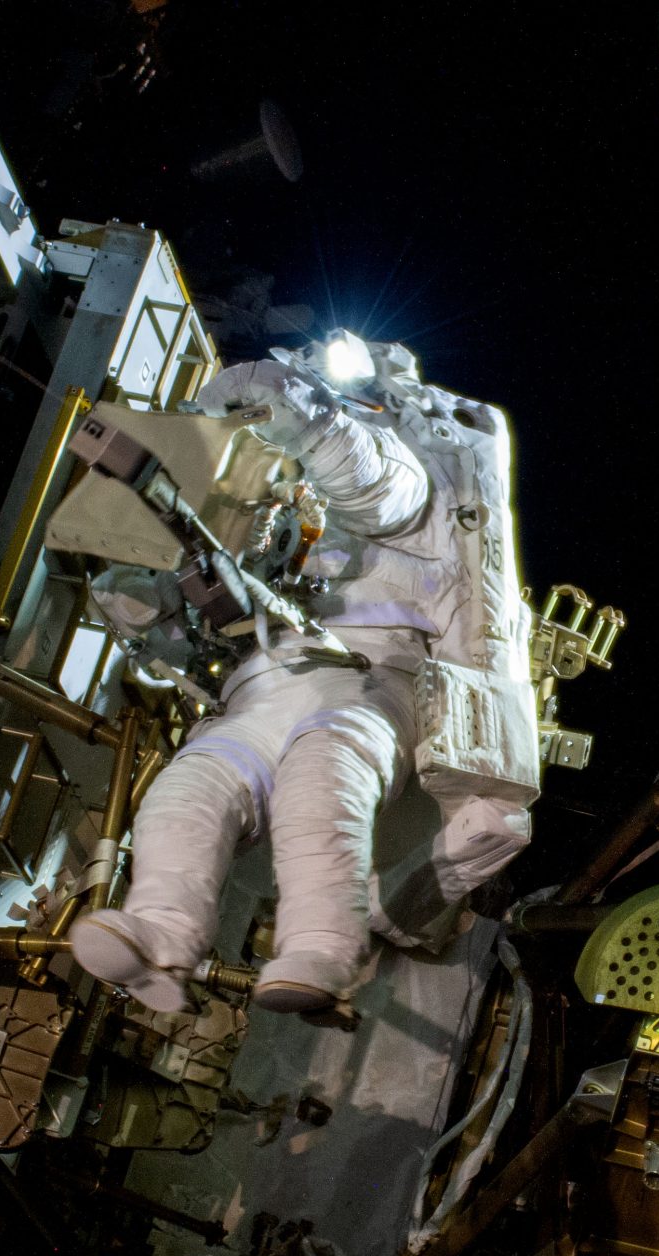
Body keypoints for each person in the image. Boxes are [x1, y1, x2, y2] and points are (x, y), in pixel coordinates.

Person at [70, 338, 470, 1016]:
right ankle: (162, 935)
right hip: (268, 679)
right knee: (189, 787)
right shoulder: (268, 492)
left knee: (321, 787)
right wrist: (147, 601)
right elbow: (214, 599)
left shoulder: (406, 475)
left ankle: (320, 950)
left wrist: (307, 411)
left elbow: (376, 485)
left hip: (375, 680)